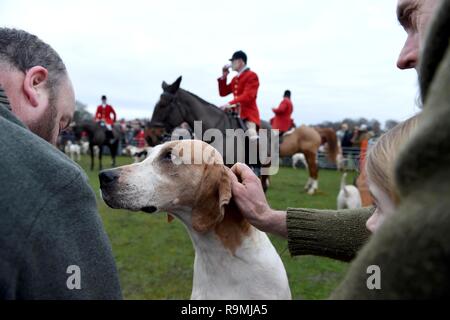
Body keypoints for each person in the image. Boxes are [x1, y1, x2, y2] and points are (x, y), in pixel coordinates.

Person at [227, 0, 443, 281]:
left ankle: (260, 164)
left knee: (260, 139)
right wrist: (266, 216)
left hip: (267, 119)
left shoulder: (263, 84)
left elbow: (257, 101)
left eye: (417, 27)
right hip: (243, 112)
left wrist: (273, 109)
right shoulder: (234, 77)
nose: (402, 57)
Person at [0, 28, 122, 299]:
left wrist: (106, 122)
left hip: (108, 124)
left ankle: (113, 152)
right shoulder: (54, 180)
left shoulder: (107, 109)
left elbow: (110, 117)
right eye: (62, 123)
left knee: (109, 133)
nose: (56, 141)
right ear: (35, 84)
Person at [218, 50, 261, 140]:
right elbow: (223, 92)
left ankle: (258, 153)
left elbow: (248, 95)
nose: (231, 64)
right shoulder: (235, 79)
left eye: (233, 61)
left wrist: (229, 103)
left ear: (240, 61)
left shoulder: (252, 75)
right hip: (235, 113)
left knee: (251, 136)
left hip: (248, 114)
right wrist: (224, 76)